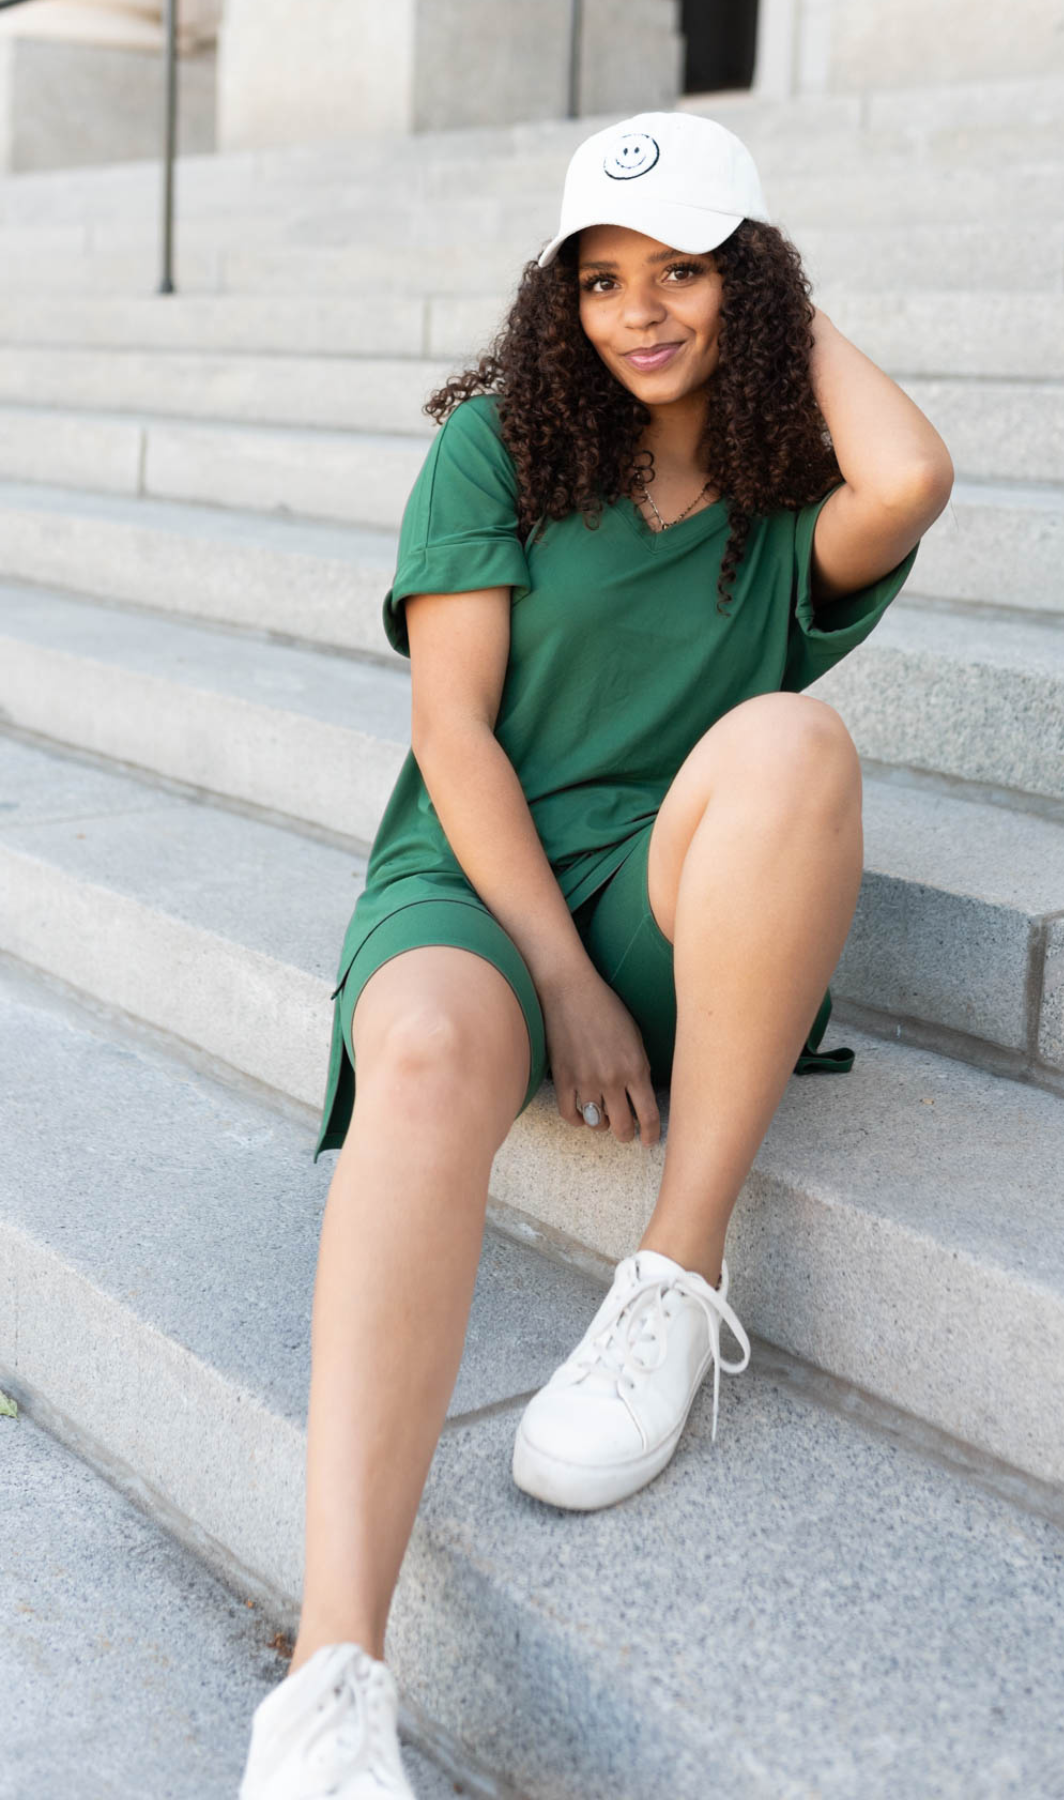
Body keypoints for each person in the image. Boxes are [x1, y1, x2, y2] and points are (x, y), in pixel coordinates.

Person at [239, 109, 953, 1800]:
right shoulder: (497, 449)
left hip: (678, 888)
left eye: (685, 271)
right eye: (601, 277)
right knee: (418, 1054)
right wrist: (558, 980)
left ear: (750, 283)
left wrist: (768, 278)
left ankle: (674, 1271)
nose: (638, 311)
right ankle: (331, 1682)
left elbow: (911, 476)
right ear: (554, 298)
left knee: (791, 743)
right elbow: (456, 735)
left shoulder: (787, 504)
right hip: (475, 889)